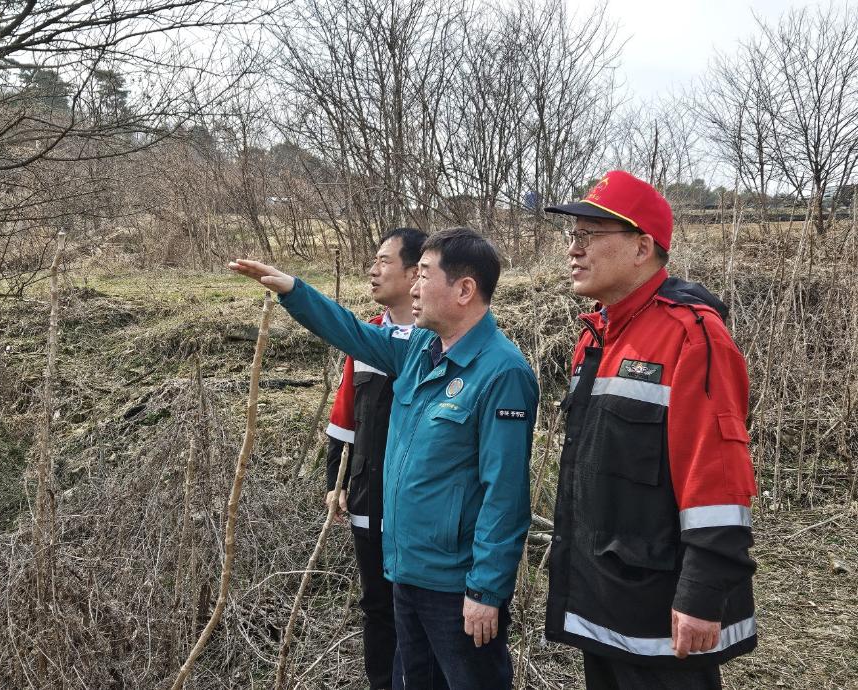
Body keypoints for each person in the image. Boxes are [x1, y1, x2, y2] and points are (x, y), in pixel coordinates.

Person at [230, 227, 538, 690]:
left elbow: (506, 494)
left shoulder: (502, 372)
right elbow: (352, 333)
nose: (413, 287)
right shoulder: (420, 351)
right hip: (405, 570)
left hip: (456, 586)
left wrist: (486, 591)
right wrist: (295, 291)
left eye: (425, 275)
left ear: (464, 289)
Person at [543, 170, 758, 690]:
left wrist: (701, 595)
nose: (574, 251)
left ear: (642, 247)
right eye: (572, 237)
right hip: (604, 597)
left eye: (589, 236)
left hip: (663, 612)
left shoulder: (693, 337)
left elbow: (719, 479)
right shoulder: (597, 334)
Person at [323, 227, 427, 690]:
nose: (372, 270)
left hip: (417, 506)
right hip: (367, 494)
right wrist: (337, 481)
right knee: (376, 605)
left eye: (384, 261)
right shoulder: (366, 337)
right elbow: (345, 416)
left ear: (414, 273)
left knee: (419, 609)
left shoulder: (437, 340)